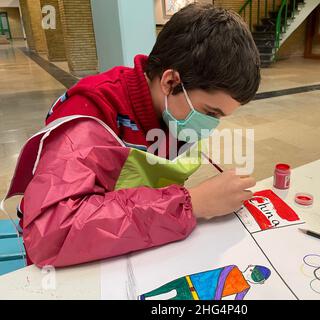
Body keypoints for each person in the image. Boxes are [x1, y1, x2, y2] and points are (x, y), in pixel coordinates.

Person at [5, 3, 260, 267]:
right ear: (171, 82)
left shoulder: (173, 112)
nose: (211, 125)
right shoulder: (91, 115)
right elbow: (51, 233)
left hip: (134, 249)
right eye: (210, 112)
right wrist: (190, 204)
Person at [139, 265, 271, 300]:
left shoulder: (245, 287)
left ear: (259, 282)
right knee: (166, 288)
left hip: (198, 296)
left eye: (256, 276)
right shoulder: (233, 268)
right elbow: (220, 281)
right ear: (250, 266)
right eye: (254, 271)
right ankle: (145, 295)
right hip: (191, 281)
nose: (252, 274)